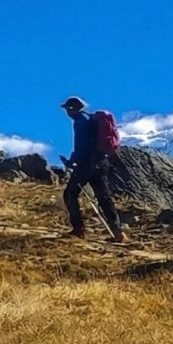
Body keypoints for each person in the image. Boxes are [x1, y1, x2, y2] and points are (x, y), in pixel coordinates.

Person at [60, 96, 125, 243]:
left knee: (70, 194)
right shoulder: (91, 119)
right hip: (101, 163)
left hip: (87, 164)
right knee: (104, 198)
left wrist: (73, 161)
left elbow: (81, 146)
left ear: (72, 109)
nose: (67, 113)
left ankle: (78, 230)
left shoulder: (80, 121)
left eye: (67, 109)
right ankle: (118, 232)